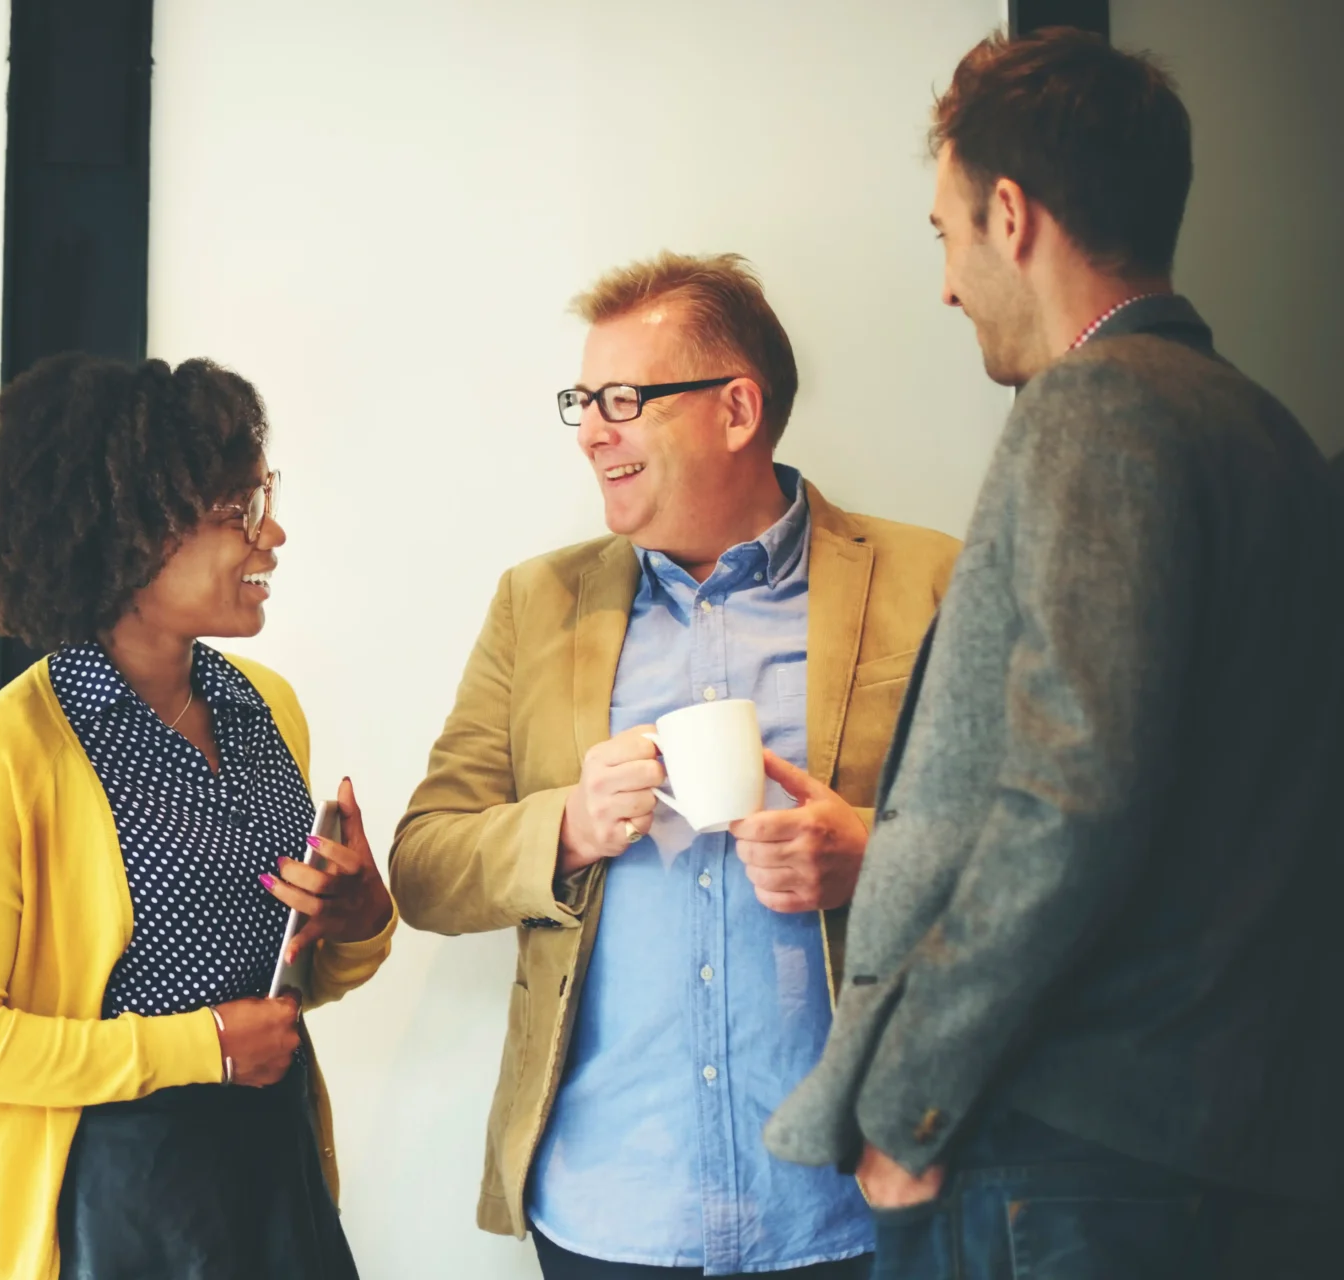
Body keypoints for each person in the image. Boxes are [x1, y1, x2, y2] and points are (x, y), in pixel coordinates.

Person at [763, 29, 1344, 1280]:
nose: (943, 281)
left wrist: (912, 1100)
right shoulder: (1273, 438)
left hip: (1065, 1160)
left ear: (1012, 215)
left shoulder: (1098, 408)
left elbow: (1066, 798)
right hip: (1231, 1141)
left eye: (944, 233)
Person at [392, 252, 958, 1280]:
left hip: (847, 1202)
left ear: (736, 408)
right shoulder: (537, 603)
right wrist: (564, 823)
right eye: (582, 399)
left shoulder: (930, 579)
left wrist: (873, 854)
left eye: (622, 398)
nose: (589, 430)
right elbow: (424, 863)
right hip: (609, 1208)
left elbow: (1036, 849)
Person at [0, 353, 396, 1280]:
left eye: (263, 499)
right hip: (124, 1198)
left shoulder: (268, 707)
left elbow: (287, 985)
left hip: (277, 1168)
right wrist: (198, 1045)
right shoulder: (15, 751)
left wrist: (359, 920)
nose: (272, 533)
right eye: (235, 513)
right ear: (130, 536)